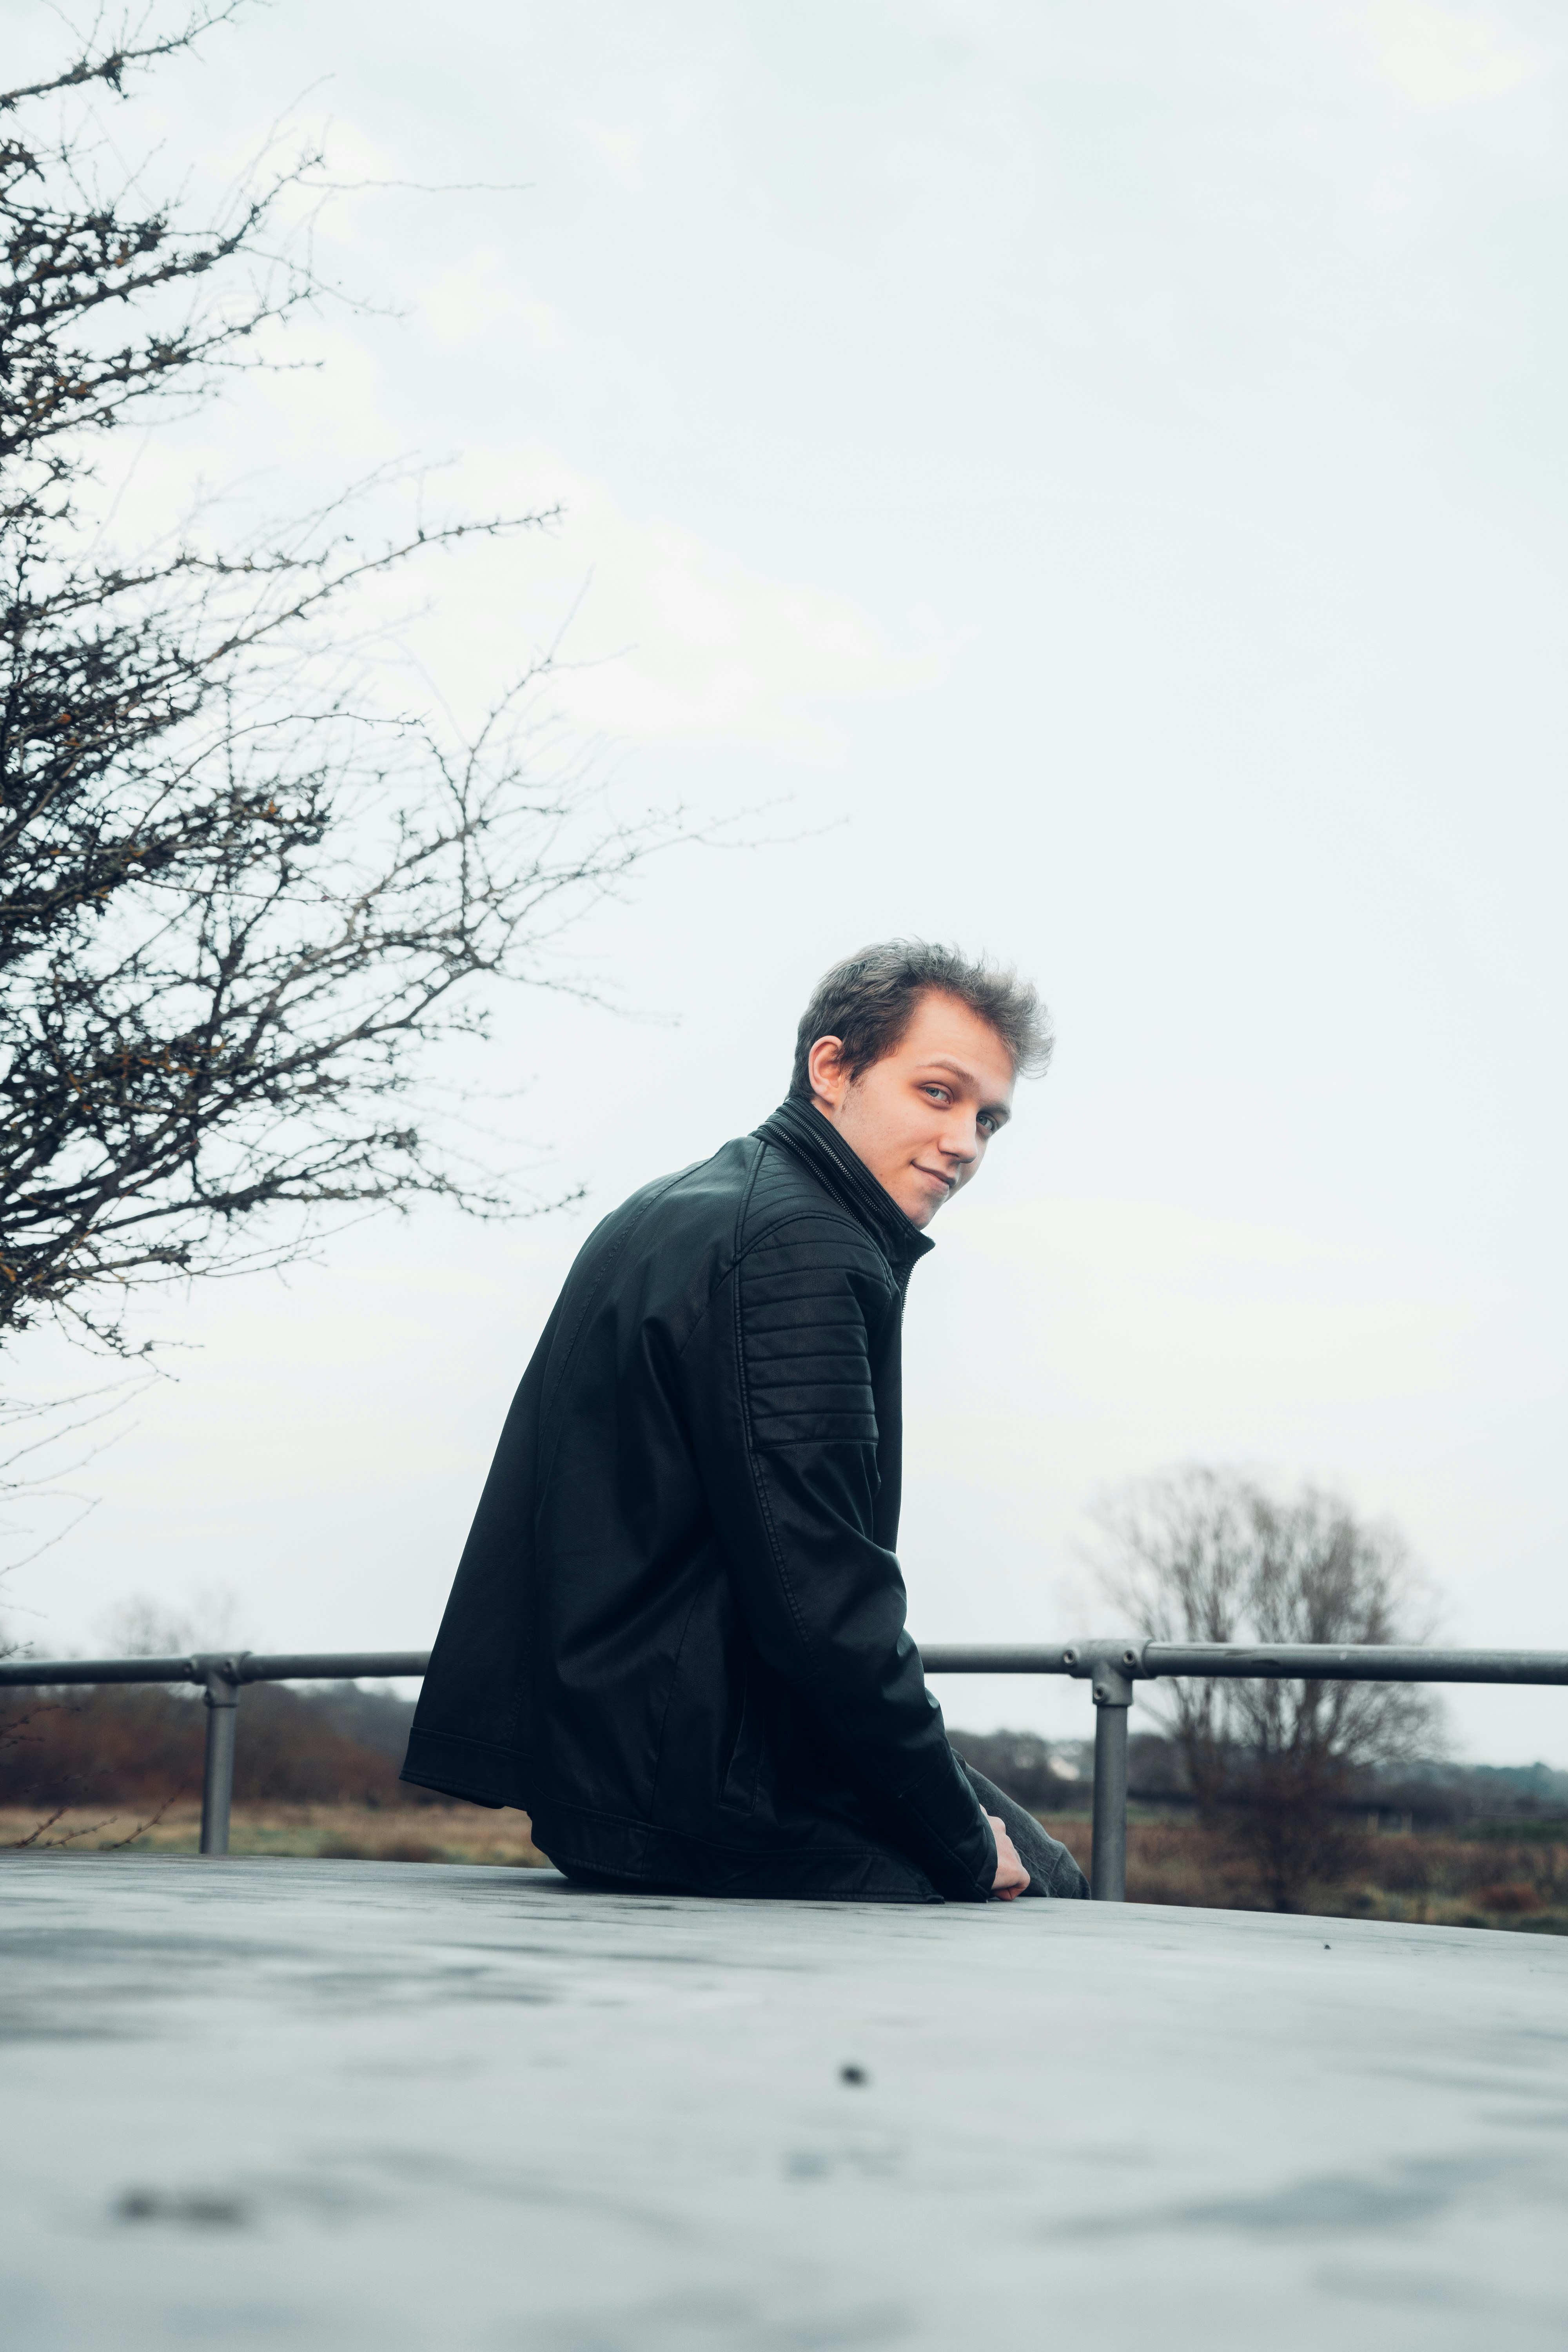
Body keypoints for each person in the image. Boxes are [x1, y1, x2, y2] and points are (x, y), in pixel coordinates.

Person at [402, 941, 1089, 1904]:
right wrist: (960, 1844)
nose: (967, 1142)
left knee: (1027, 1851)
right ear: (832, 1069)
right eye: (938, 1094)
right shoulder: (798, 1246)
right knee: (1041, 1882)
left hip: (630, 1755)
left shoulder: (690, 1201)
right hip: (697, 1789)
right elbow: (824, 1598)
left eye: (988, 1118)